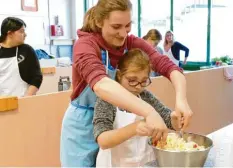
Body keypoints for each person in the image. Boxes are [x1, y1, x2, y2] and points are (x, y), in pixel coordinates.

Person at [60, 0, 193, 167]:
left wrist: (181, 99)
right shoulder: (85, 45)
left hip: (115, 124)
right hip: (83, 126)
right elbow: (101, 85)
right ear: (100, 22)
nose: (123, 34)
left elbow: (168, 67)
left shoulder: (130, 43)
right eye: (116, 27)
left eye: (127, 25)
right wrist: (149, 112)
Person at [93, 49, 181, 167]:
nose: (138, 86)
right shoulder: (107, 100)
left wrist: (175, 120)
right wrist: (135, 128)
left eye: (144, 81)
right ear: (119, 75)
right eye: (132, 81)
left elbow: (166, 118)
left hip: (144, 163)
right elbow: (103, 140)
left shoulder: (145, 96)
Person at [0, 17, 42, 97]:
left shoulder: (26, 50)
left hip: (23, 100)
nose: (25, 34)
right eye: (21, 31)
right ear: (10, 34)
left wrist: (27, 97)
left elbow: (37, 77)